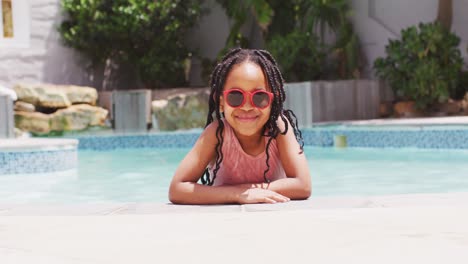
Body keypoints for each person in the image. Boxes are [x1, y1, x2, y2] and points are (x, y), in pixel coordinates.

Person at [169, 48, 311, 204]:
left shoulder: (278, 128)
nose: (247, 107)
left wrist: (251, 191)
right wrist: (238, 194)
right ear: (221, 102)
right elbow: (177, 189)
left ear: (273, 101)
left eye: (259, 97)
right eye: (236, 96)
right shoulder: (217, 134)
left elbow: (303, 185)